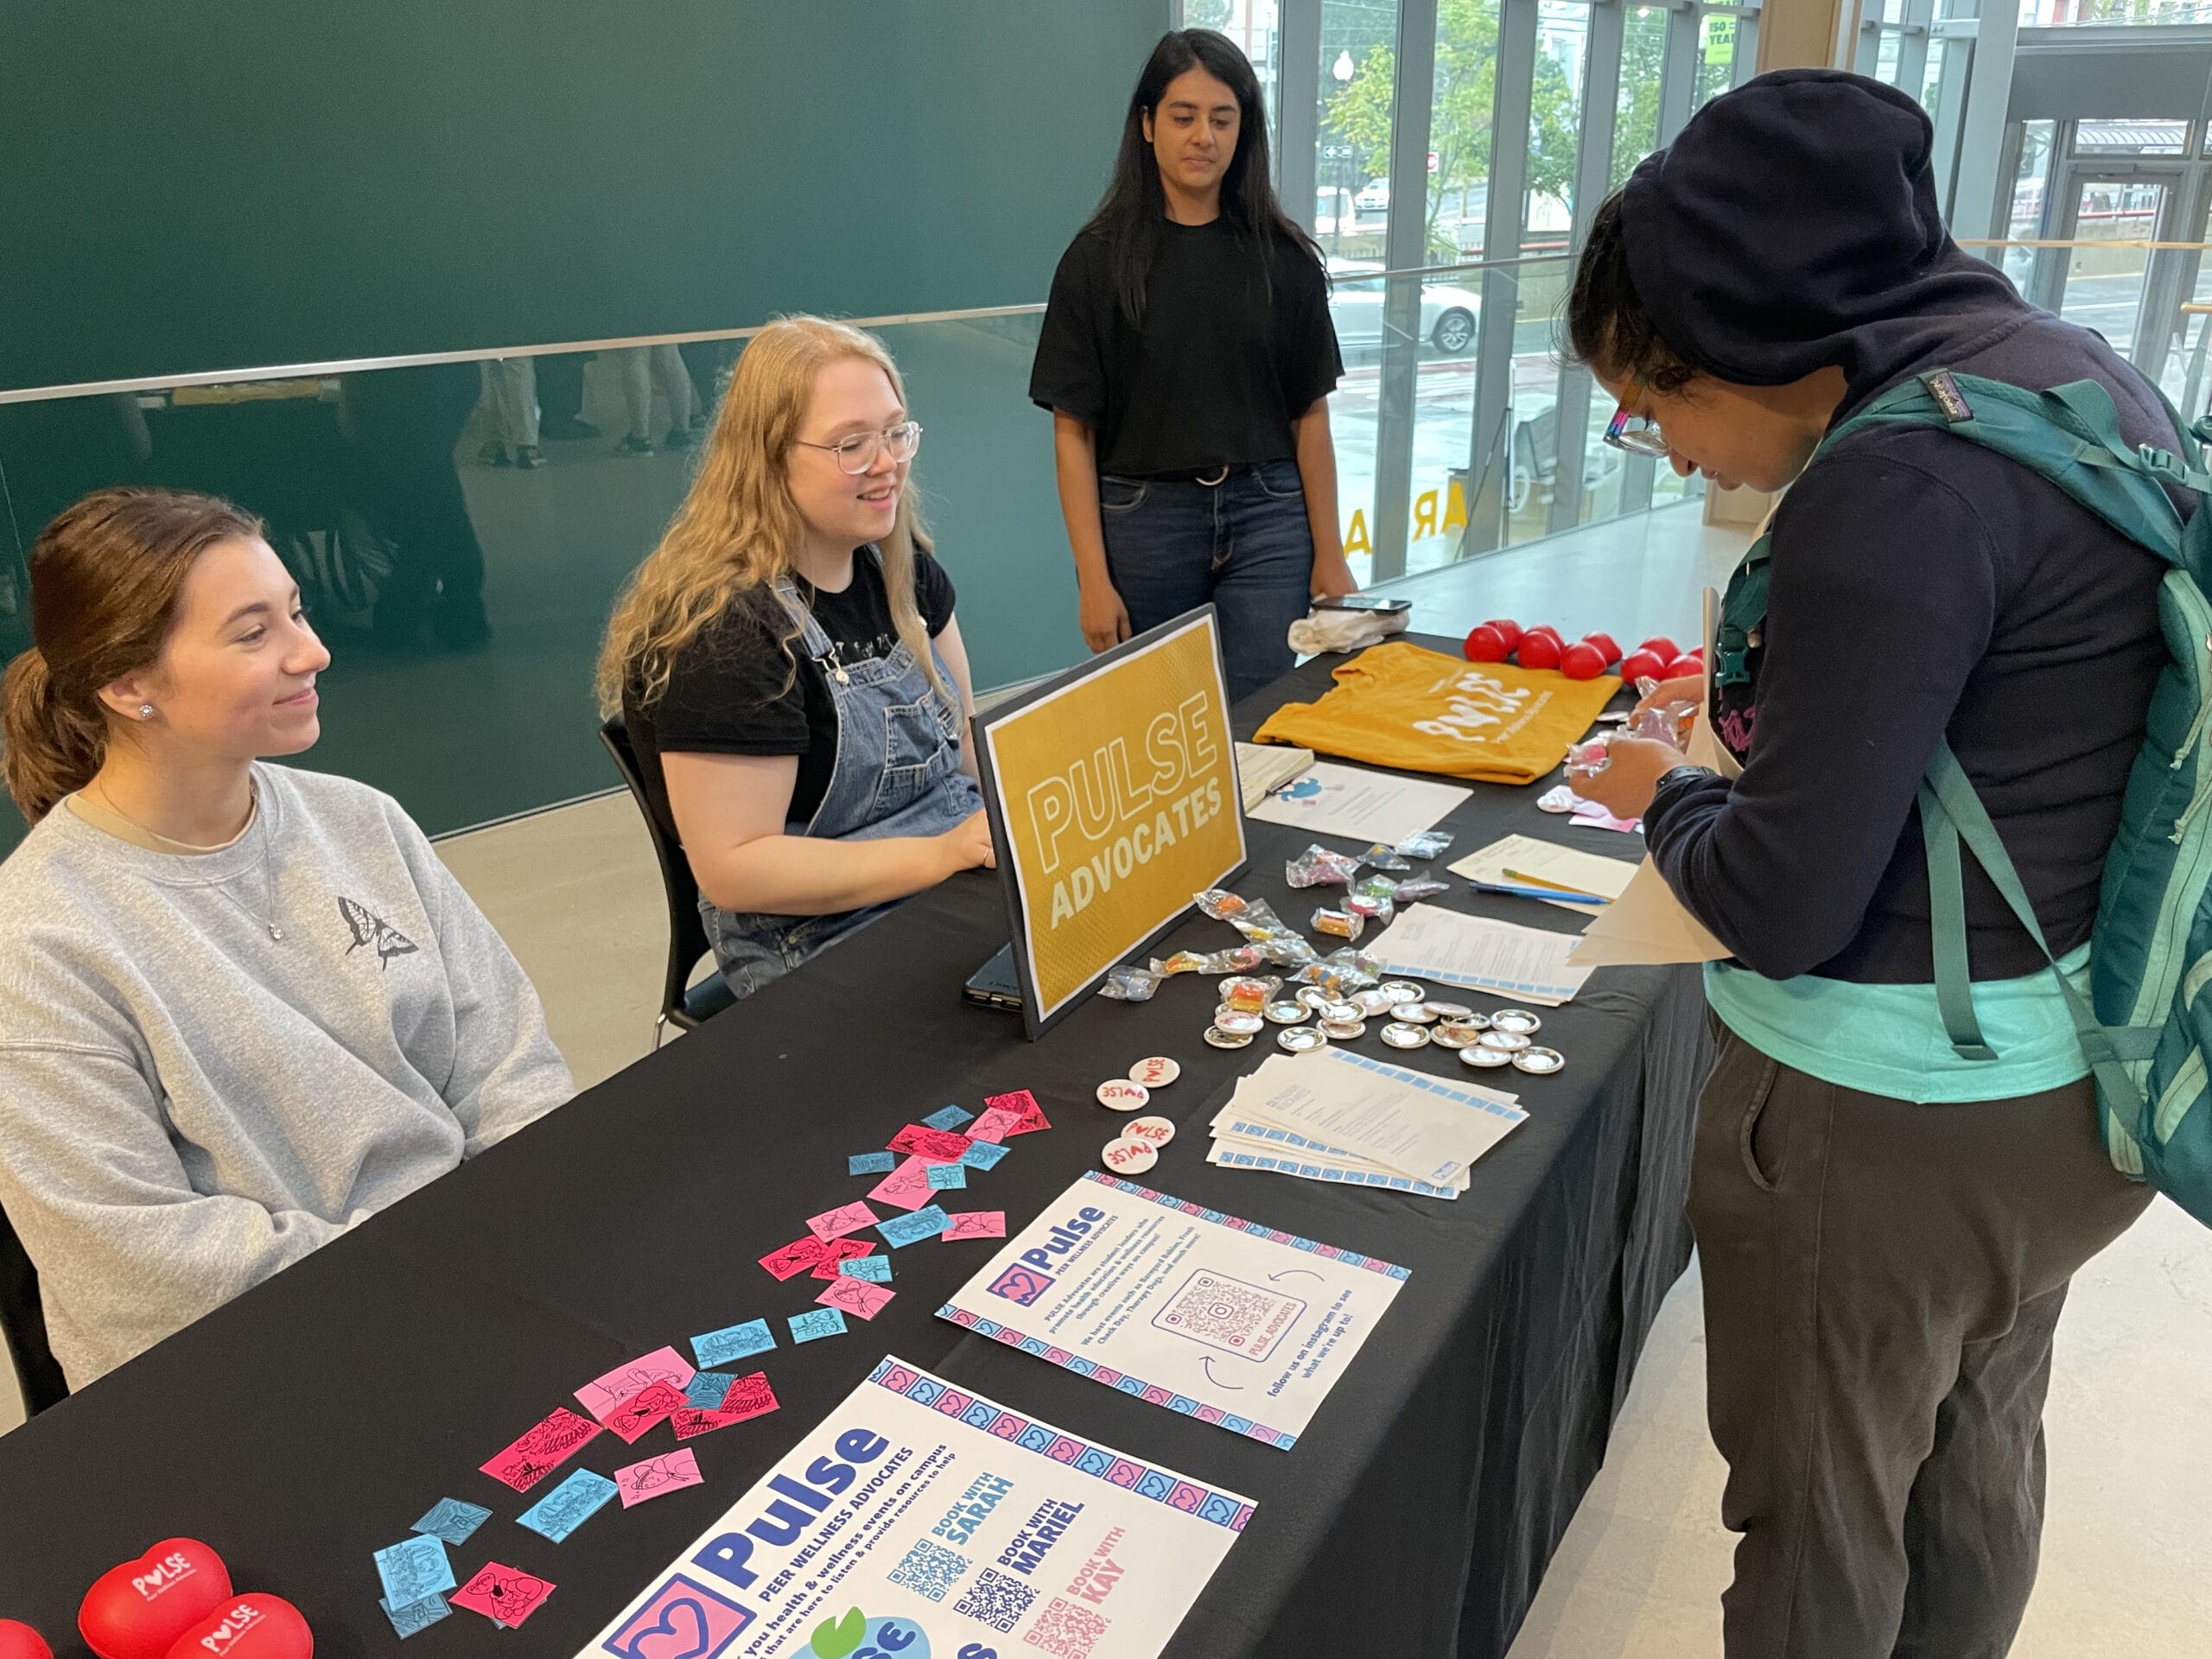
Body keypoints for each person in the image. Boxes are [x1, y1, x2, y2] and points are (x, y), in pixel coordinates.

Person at [1565, 72, 2158, 1658]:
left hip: (1888, 1118)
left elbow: (1778, 900)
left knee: (1822, 1523)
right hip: (2068, 1080)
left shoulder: (1889, 489)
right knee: (1971, 1466)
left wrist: (1662, 797)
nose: (1678, 455)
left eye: (1655, 406)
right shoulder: (2068, 378)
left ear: (1743, 338)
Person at [0, 487, 575, 1387]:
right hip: (265, 1368)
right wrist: (447, 1276)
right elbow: (143, 1267)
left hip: (481, 1288)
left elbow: (510, 1064)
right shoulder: (37, 941)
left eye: (296, 612)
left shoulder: (362, 823)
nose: (314, 651)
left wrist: (534, 1232)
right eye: (252, 632)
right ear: (127, 683)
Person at [596, 316, 993, 1000]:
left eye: (897, 433)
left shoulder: (899, 570)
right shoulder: (723, 635)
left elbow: (963, 741)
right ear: (769, 457)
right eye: (851, 445)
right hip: (811, 940)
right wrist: (941, 855)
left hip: (946, 876)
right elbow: (736, 868)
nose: (888, 462)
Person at [1030, 28, 1355, 702]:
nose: (1202, 135)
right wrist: (1092, 577)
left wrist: (1332, 552)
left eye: (1221, 118)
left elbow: (1311, 416)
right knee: (1164, 721)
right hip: (1145, 522)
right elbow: (1072, 431)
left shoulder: (1287, 262)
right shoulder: (1095, 263)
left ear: (1244, 131)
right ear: (1147, 125)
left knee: (1262, 714)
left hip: (1270, 517)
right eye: (1183, 116)